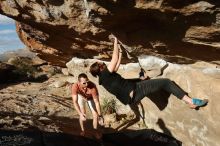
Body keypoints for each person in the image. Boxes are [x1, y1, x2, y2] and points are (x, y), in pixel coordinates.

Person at [89, 37, 208, 109]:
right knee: (166, 82)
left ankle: (143, 80)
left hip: (132, 97)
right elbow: (114, 60)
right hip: (136, 91)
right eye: (101, 65)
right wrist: (115, 41)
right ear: (100, 69)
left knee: (142, 79)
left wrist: (120, 52)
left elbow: (116, 65)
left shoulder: (104, 79)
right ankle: (191, 102)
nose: (104, 64)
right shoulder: (105, 74)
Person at [71, 73, 104, 138]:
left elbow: (97, 102)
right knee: (83, 114)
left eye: (87, 82)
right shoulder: (75, 86)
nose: (86, 84)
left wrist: (100, 116)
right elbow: (75, 102)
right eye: (84, 83)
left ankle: (95, 131)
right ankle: (83, 130)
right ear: (79, 82)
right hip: (81, 96)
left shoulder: (92, 86)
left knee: (95, 114)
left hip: (90, 97)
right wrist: (80, 114)